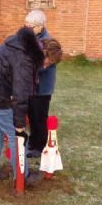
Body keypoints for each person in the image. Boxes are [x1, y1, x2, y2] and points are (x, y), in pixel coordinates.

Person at [0, 25, 63, 184]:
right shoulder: (26, 61)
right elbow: (20, 96)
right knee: (17, 136)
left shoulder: (20, 45)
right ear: (44, 53)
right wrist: (19, 126)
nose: (46, 66)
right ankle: (22, 176)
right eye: (49, 62)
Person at [25, 10, 61, 158]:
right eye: (26, 24)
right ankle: (33, 142)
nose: (27, 27)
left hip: (43, 88)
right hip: (31, 86)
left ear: (40, 26)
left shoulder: (48, 42)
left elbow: (44, 65)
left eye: (30, 25)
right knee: (31, 116)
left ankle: (40, 147)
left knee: (39, 117)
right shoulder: (31, 37)